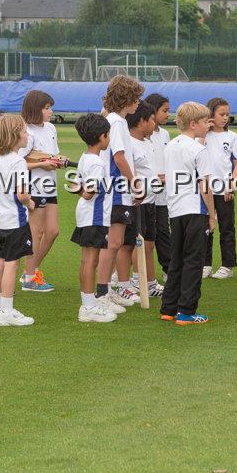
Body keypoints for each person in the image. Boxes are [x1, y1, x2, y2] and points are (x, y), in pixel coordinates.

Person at [160, 102, 216, 325]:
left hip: (175, 209)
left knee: (177, 260)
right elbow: (205, 186)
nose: (207, 125)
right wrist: (212, 215)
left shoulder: (170, 146)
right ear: (193, 124)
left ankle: (168, 308)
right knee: (194, 261)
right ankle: (186, 311)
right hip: (195, 209)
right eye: (205, 122)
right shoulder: (199, 150)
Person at [96, 75, 145, 311]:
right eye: (136, 98)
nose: (138, 103)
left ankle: (107, 291)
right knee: (113, 243)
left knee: (115, 243)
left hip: (120, 191)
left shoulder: (118, 122)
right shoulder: (116, 122)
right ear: (126, 98)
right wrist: (135, 183)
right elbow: (119, 157)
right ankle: (102, 294)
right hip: (115, 191)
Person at [0, 114, 36, 327]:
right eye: (24, 131)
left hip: (0, 220)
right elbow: (22, 195)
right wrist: (30, 203)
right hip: (15, 220)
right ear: (14, 137)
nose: (27, 135)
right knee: (12, 264)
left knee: (2, 261)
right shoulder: (18, 162)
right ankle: (6, 310)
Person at [70, 113, 117, 323]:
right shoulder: (97, 163)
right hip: (94, 217)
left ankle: (88, 301)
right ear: (102, 136)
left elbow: (77, 186)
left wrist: (77, 187)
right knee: (91, 261)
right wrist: (80, 188)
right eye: (109, 135)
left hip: (86, 216)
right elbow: (89, 193)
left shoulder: (84, 157)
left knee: (86, 260)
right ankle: (88, 307)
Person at [18, 90, 64, 293]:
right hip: (33, 186)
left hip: (50, 185)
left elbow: (50, 155)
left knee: (53, 231)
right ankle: (30, 278)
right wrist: (42, 164)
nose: (51, 111)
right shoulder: (26, 132)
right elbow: (18, 161)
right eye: (46, 108)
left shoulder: (51, 128)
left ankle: (30, 271)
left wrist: (57, 160)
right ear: (35, 110)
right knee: (35, 232)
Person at [202, 97, 237, 280]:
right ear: (211, 114)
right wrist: (205, 130)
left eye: (227, 114)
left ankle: (227, 265)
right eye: (221, 114)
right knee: (205, 227)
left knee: (227, 227)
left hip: (225, 190)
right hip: (205, 191)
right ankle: (205, 264)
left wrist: (231, 185)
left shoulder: (232, 137)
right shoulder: (203, 137)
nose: (225, 118)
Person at [128, 100, 163, 297]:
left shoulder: (147, 142)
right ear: (142, 121)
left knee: (149, 244)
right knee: (137, 244)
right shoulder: (129, 144)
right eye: (151, 120)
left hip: (151, 201)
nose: (154, 124)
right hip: (137, 202)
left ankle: (149, 283)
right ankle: (135, 280)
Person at [144, 93, 172, 278]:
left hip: (163, 192)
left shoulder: (165, 134)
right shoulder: (142, 134)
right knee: (146, 235)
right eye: (165, 110)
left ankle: (168, 269)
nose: (168, 114)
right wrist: (154, 176)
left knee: (163, 230)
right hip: (145, 191)